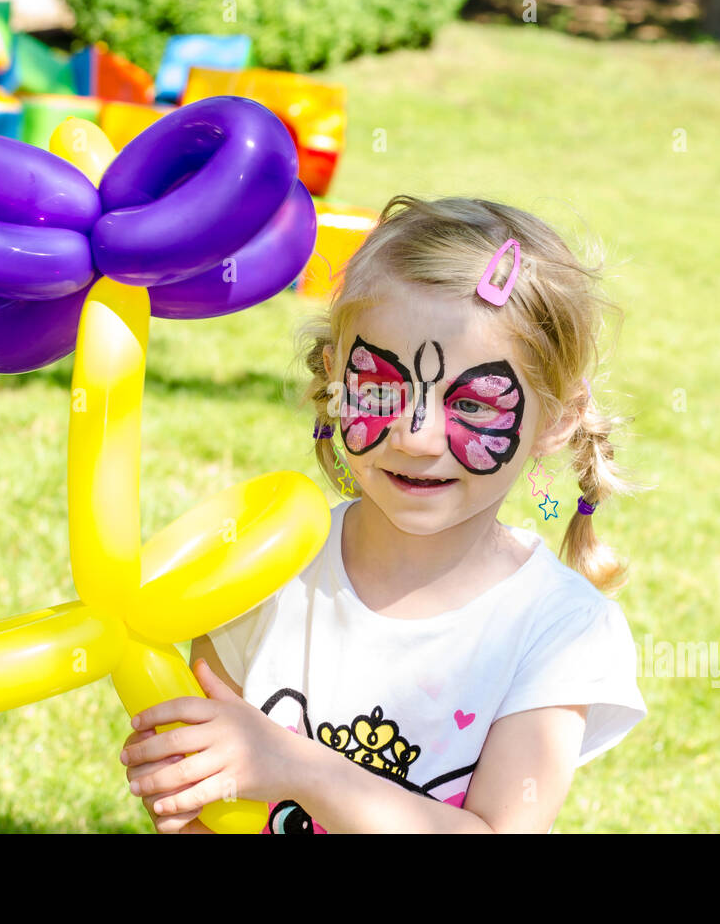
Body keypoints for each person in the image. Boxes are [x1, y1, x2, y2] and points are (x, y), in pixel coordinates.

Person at [120, 195, 648, 833]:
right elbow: (205, 803)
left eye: (475, 405)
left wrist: (294, 766)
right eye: (379, 389)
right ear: (334, 378)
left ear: (556, 419)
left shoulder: (559, 629)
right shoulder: (264, 569)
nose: (416, 436)